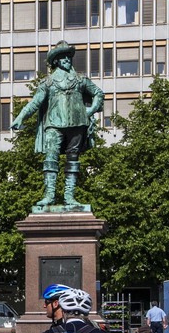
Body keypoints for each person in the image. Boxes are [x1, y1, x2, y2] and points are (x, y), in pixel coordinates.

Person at [10, 40, 105, 209]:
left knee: (73, 160)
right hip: (54, 124)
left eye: (69, 56)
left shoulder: (81, 80)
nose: (67, 59)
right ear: (56, 61)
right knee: (50, 158)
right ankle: (49, 196)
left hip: (77, 124)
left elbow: (98, 93)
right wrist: (20, 117)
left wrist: (89, 112)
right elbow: (35, 103)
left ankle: (69, 197)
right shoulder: (48, 83)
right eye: (63, 56)